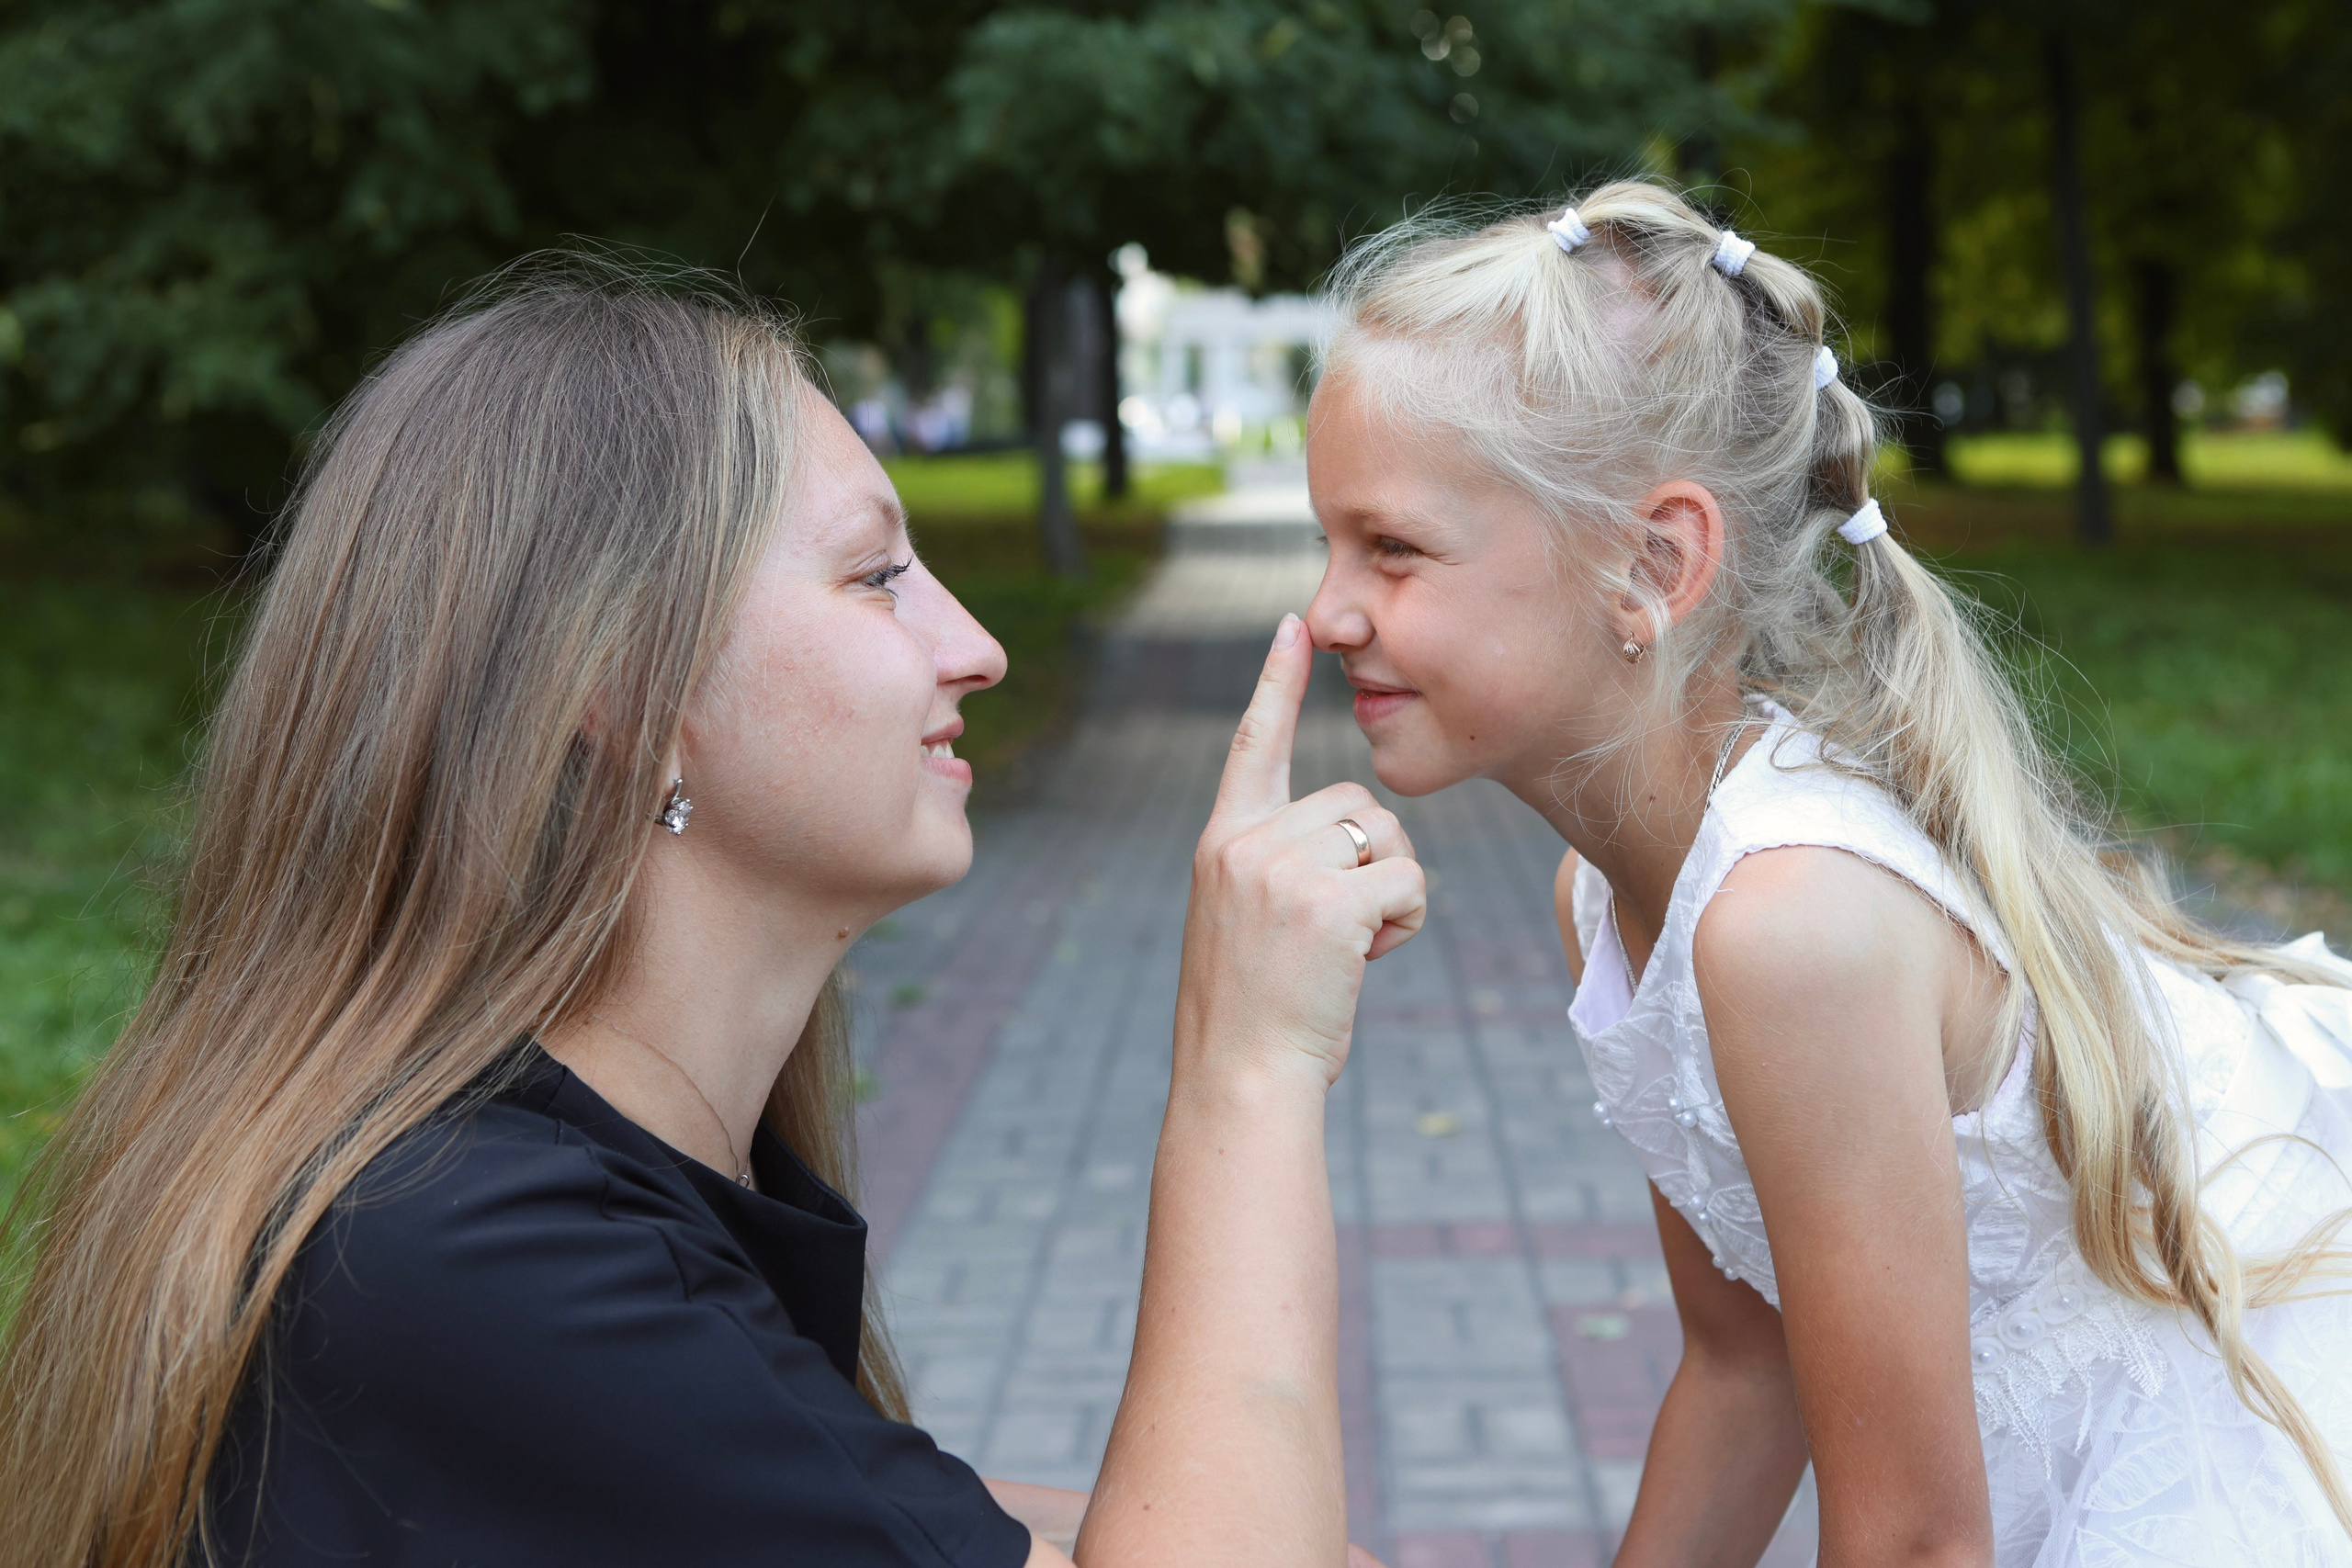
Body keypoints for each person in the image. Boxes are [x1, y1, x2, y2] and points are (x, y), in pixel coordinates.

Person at [0, 263, 1423, 1568]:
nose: (977, 647)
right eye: (876, 576)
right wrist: (1250, 1066)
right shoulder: (454, 1248)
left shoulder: (519, 1196)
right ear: (619, 689)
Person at [1300, 180, 2352, 1567]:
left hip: (2218, 1456)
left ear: (1653, 566)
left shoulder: (1791, 923)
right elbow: (1747, 1366)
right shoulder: (1605, 899)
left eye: (1393, 549)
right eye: (1328, 544)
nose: (1327, 611)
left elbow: (1915, 1535)